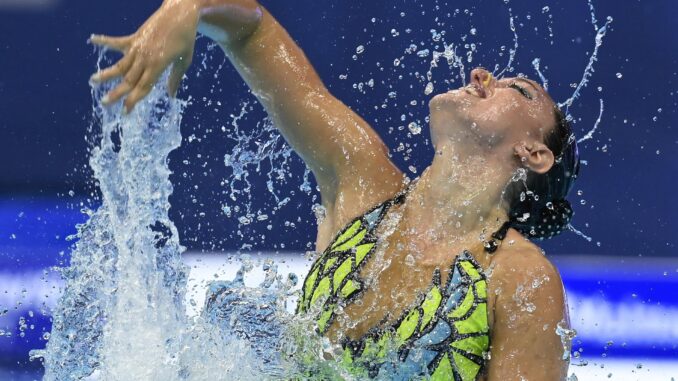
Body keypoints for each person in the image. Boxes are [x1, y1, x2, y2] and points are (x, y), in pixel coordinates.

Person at [90, 0, 578, 379]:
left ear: (533, 154)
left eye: (519, 90)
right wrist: (190, 8)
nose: (481, 74)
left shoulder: (521, 280)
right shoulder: (362, 184)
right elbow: (253, 30)